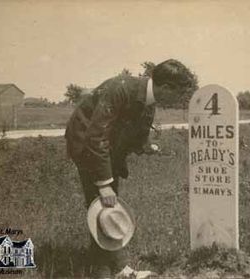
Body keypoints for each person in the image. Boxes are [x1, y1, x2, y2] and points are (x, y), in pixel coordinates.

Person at [65, 59, 196, 278]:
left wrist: (146, 147)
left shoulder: (148, 102)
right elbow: (96, 136)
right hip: (86, 142)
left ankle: (110, 266)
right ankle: (108, 271)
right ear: (165, 88)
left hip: (106, 146)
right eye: (179, 93)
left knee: (107, 209)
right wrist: (104, 184)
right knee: (103, 204)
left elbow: (137, 133)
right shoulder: (121, 88)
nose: (181, 98)